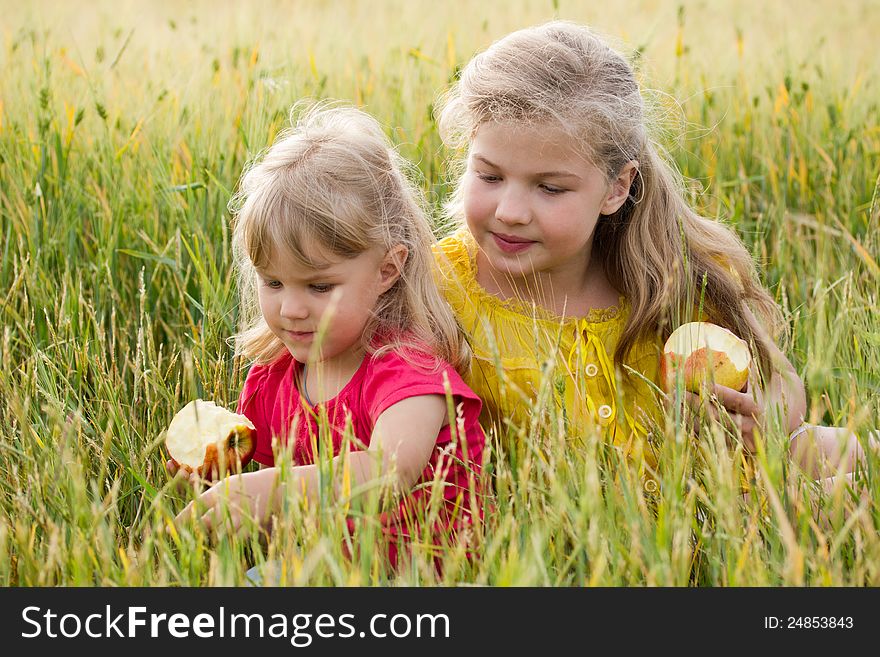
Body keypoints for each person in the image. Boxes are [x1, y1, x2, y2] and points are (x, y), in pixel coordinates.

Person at [431, 20, 872, 491]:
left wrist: (762, 418)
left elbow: (781, 381)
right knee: (836, 495)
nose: (510, 212)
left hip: (708, 502)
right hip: (581, 529)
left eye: (550, 187)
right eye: (490, 176)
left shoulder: (665, 268)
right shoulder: (441, 288)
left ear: (616, 189)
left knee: (839, 455)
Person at [169, 104, 485, 573]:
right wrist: (218, 481)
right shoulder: (273, 379)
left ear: (387, 269)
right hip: (326, 568)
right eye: (273, 282)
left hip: (424, 573)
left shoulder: (406, 371)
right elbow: (284, 506)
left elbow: (387, 473)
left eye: (319, 287)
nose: (291, 308)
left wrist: (270, 488)